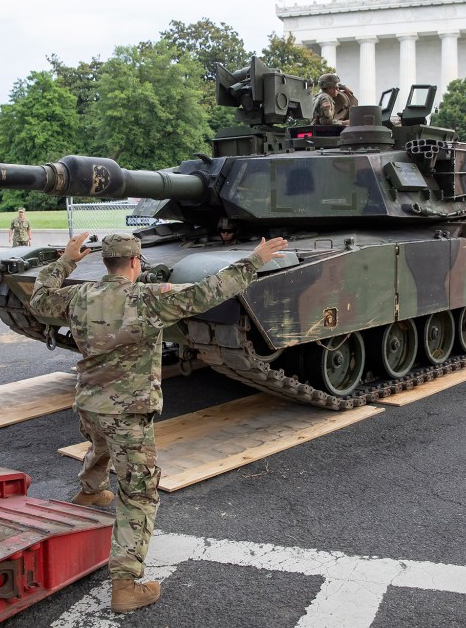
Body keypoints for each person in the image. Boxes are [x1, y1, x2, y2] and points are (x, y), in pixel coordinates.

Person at [28, 231, 288, 613]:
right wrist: (254, 259)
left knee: (100, 442)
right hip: (128, 412)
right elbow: (208, 292)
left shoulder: (78, 296)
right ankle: (125, 585)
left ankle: (90, 489)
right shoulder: (149, 299)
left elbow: (38, 299)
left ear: (106, 262)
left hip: (89, 404)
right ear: (135, 263)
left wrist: (66, 261)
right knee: (138, 494)